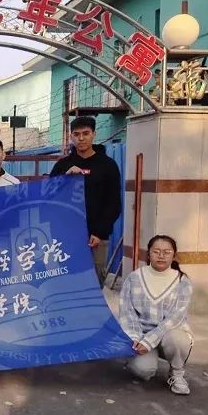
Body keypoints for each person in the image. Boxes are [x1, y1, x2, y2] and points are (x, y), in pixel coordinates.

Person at [117, 235, 193, 395]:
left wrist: (150, 341)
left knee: (178, 339)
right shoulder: (134, 278)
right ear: (149, 254)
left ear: (174, 255)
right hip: (141, 336)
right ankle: (135, 360)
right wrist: (136, 338)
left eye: (167, 252)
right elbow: (127, 313)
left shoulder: (182, 281)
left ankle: (177, 373)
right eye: (156, 251)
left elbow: (176, 318)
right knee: (143, 370)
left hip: (169, 333)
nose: (161, 256)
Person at [50, 116, 121, 287]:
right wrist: (64, 178)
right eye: (76, 134)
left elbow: (113, 203)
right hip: (66, 236)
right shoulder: (62, 165)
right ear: (71, 137)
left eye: (86, 133)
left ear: (94, 134)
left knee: (94, 284)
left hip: (96, 238)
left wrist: (99, 232)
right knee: (66, 283)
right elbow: (49, 195)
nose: (81, 138)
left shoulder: (108, 165)